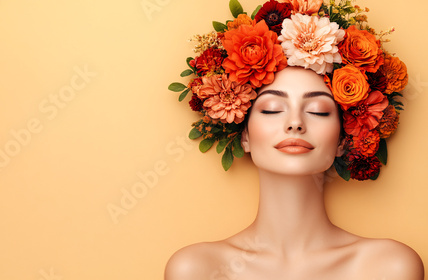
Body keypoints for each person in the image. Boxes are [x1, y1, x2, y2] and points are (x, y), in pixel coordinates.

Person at [166, 0, 424, 278]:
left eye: (318, 111)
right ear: (244, 136)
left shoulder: (387, 267)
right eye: (272, 109)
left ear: (342, 139)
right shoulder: (197, 269)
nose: (295, 123)